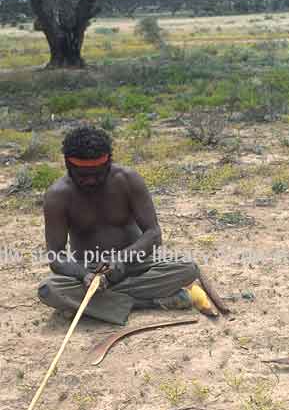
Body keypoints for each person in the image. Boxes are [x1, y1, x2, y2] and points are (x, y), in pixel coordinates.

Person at [38, 126, 199, 325]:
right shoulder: (57, 196)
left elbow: (153, 234)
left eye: (98, 174)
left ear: (109, 162)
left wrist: (120, 260)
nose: (90, 180)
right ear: (68, 166)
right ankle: (146, 302)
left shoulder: (128, 180)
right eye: (82, 175)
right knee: (48, 289)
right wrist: (85, 276)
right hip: (89, 270)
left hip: (135, 262)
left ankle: (91, 305)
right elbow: (56, 256)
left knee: (187, 268)